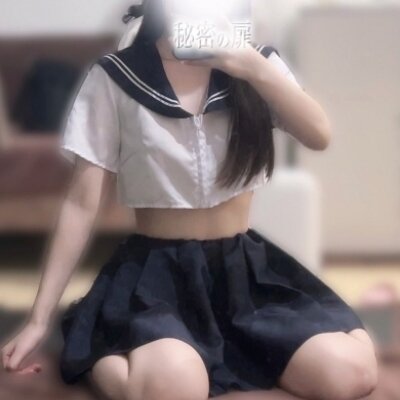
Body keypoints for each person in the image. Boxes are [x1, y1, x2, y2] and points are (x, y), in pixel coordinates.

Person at [1, 1, 378, 399]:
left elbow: (319, 134)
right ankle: (100, 353)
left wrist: (252, 66)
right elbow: (81, 204)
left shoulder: (256, 64)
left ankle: (225, 354)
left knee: (350, 372)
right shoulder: (117, 76)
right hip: (157, 277)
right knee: (177, 386)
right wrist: (38, 319)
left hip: (243, 271)